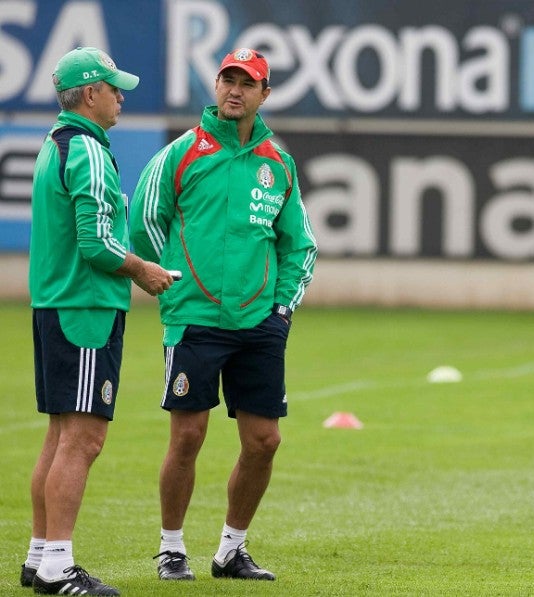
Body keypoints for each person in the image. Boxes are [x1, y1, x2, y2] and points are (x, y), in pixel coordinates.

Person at [129, 47, 317, 582]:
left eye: (246, 83)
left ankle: (231, 550)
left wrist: (281, 307)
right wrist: (169, 281)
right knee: (187, 437)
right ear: (216, 86)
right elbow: (144, 219)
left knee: (264, 442)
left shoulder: (277, 162)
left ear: (264, 94)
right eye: (226, 79)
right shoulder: (182, 152)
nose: (233, 90)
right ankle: (171, 549)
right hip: (194, 320)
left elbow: (299, 244)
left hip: (259, 324)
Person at [23, 47, 174, 596]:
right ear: (90, 94)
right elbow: (95, 243)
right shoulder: (85, 148)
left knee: (61, 435)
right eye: (113, 88)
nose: (121, 97)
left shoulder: (55, 144)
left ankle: (41, 557)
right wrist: (143, 270)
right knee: (82, 439)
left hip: (57, 305)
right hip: (85, 307)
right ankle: (59, 565)